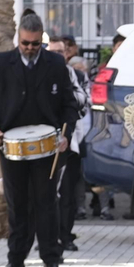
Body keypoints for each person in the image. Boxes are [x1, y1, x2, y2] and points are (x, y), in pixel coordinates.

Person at [0, 12, 75, 267]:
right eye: (25, 43)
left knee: (47, 204)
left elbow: (69, 104)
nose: (30, 48)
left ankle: (51, 260)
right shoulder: (2, 62)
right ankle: (16, 261)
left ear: (41, 39)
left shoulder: (55, 63)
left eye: (35, 44)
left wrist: (66, 134)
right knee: (17, 204)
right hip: (11, 147)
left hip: (48, 147)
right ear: (18, 39)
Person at [48, 36, 90, 252]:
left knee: (67, 193)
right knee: (47, 193)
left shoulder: (76, 75)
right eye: (52, 52)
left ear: (66, 54)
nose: (56, 56)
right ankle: (48, 237)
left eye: (60, 52)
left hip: (71, 140)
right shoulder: (41, 74)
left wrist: (66, 98)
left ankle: (66, 236)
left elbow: (84, 103)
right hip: (45, 141)